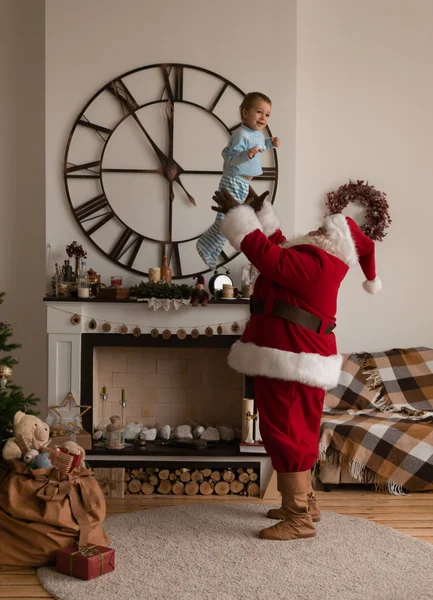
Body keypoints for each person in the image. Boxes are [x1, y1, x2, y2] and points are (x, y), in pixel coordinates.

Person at [212, 187, 382, 541]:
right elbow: (279, 247)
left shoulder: (319, 265)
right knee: (294, 432)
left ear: (337, 242)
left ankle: (297, 518)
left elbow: (270, 258)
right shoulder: (314, 259)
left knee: (287, 434)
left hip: (292, 359)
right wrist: (262, 214)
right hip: (290, 355)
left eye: (326, 229)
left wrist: (240, 221)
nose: (318, 230)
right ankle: (306, 505)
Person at [196, 92, 279, 269]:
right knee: (228, 217)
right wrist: (246, 155)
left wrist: (271, 143)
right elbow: (232, 158)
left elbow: (262, 145)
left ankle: (209, 247)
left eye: (267, 114)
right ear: (245, 113)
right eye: (259, 112)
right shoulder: (241, 135)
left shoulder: (256, 134)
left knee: (233, 217)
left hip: (242, 182)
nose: (263, 118)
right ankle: (206, 246)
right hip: (234, 180)